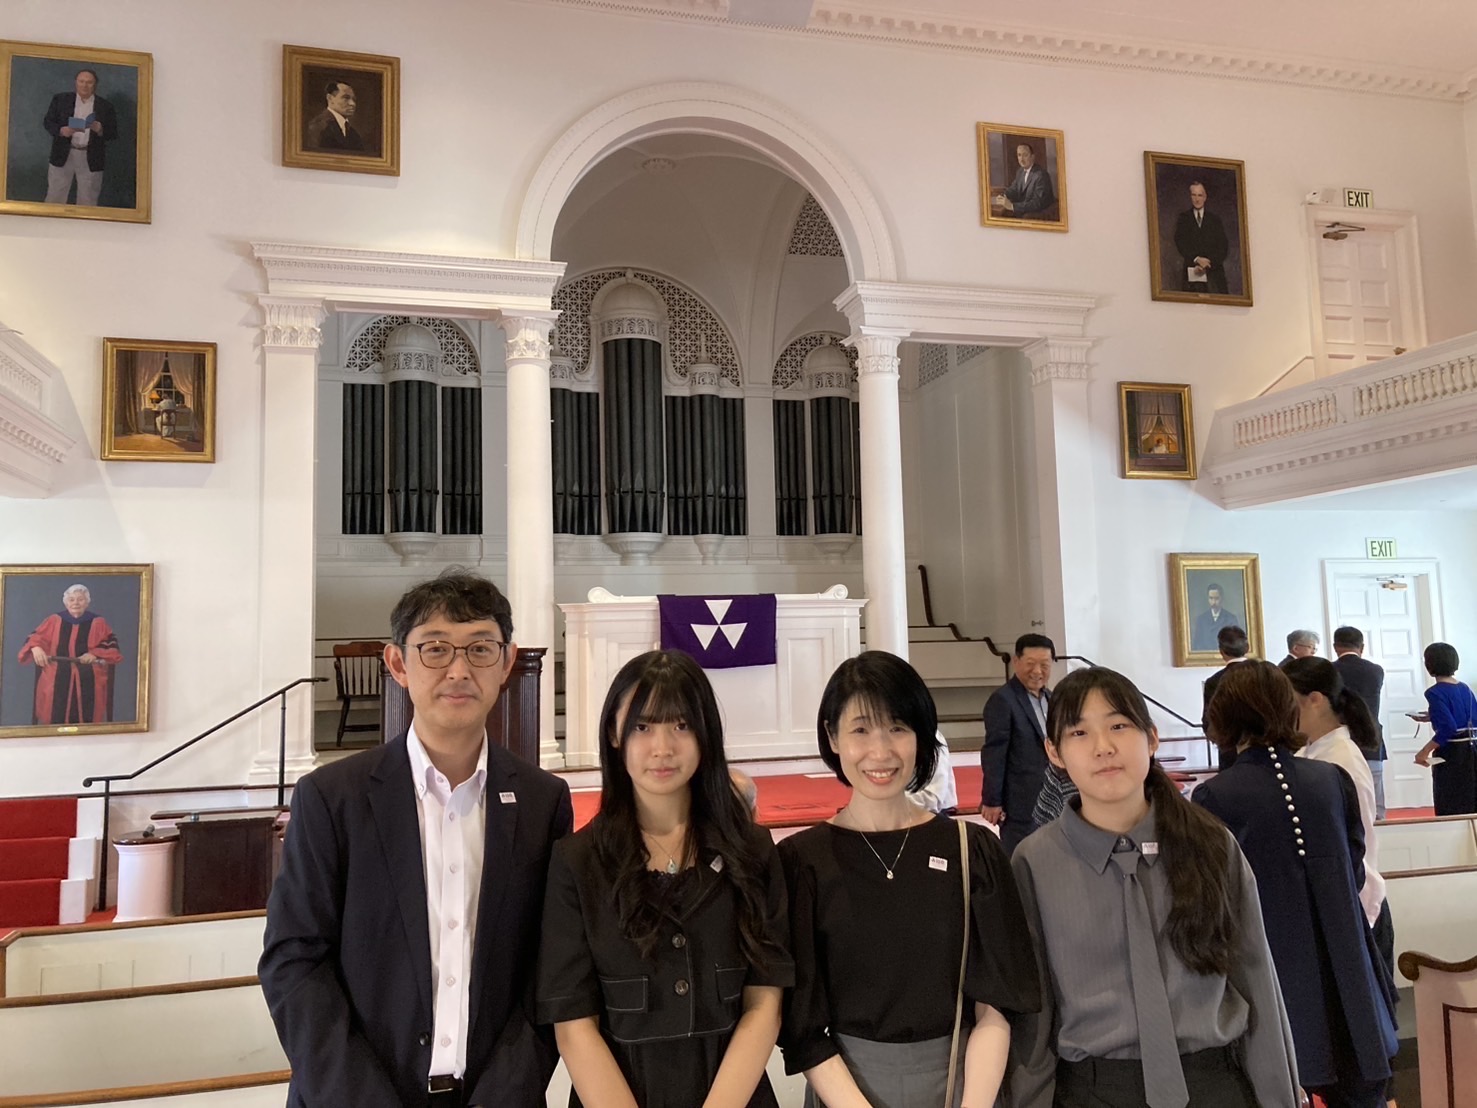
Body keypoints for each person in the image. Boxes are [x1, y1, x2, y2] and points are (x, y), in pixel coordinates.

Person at [260, 568, 573, 1107]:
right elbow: (295, 960)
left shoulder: (542, 802)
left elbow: (550, 968)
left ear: (506, 663)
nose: (459, 669)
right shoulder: (332, 798)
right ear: (398, 664)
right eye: (435, 648)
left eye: (480, 649)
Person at [1008, 666, 1299, 1108]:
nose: (1103, 747)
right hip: (1094, 1091)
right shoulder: (1034, 862)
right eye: (1079, 733)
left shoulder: (1211, 843)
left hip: (1214, 1084)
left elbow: (1255, 978)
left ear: (1151, 738)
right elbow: (1034, 1015)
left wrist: (1278, 1097)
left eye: (1118, 726)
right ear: (1055, 752)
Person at [781, 651, 1039, 1108]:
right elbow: (802, 1026)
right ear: (833, 737)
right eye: (861, 730)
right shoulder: (802, 862)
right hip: (846, 1091)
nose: (880, 752)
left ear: (921, 736)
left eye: (898, 728)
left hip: (961, 1083)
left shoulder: (971, 850)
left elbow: (996, 1003)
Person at [537, 649, 792, 1107]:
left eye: (681, 725)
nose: (662, 748)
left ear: (705, 732)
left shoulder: (751, 851)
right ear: (614, 733)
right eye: (642, 726)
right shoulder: (577, 862)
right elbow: (574, 1026)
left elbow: (764, 1002)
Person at [1195, 661, 1397, 1108]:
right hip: (1346, 957)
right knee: (1356, 1086)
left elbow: (1212, 900)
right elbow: (1355, 867)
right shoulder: (1330, 779)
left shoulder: (1216, 796)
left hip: (1271, 964)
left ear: (1223, 716)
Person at [1282, 655, 1398, 1107]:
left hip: (1359, 911)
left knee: (1358, 1058)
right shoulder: (1310, 753)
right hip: (1341, 912)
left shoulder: (1340, 759)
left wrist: (1350, 928)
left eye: (1287, 700)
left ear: (1314, 700)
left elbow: (1357, 852)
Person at [980, 634, 1055, 854]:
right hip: (1020, 805)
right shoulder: (1003, 700)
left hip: (1053, 799)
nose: (1038, 671)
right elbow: (994, 754)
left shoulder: (1052, 698)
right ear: (1016, 661)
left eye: (1045, 665)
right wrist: (992, 800)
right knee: (1020, 860)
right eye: (1030, 664)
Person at [18, 583, 124, 725]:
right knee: (52, 703)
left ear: (87, 602)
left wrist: (94, 654)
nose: (75, 603)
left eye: (80, 599)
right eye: (71, 599)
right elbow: (35, 637)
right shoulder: (54, 620)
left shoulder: (98, 622)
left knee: (90, 706)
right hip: (56, 672)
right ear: (66, 602)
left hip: (89, 673)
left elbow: (111, 643)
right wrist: (35, 647)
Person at [1414, 642, 1477, 816]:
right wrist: (1432, 716)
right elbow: (1468, 718)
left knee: (1451, 803)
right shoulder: (1465, 688)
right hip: (1473, 750)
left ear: (1429, 665)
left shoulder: (1434, 692)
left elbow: (1449, 728)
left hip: (1453, 753)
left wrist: (1424, 751)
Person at [1333, 626, 1388, 819]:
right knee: (1374, 795)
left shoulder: (1330, 671)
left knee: (1344, 795)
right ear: (1361, 647)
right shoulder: (1375, 671)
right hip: (1370, 737)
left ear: (1335, 647)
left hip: (1340, 739)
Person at [42, 68, 117, 207]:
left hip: (91, 157)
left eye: (89, 82)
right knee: (55, 196)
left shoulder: (105, 106)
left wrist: (100, 129)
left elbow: (113, 133)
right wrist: (61, 131)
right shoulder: (60, 100)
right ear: (75, 82)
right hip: (63, 153)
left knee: (88, 200)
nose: (85, 85)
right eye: (81, 81)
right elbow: (48, 122)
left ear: (95, 85)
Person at [1202, 624, 1251, 770]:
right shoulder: (1268, 674)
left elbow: (1208, 720)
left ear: (1221, 652)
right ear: (1247, 648)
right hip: (1268, 751)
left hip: (1229, 753)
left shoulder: (1214, 681)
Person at [1172, 181, 1230, 294]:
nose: (1197, 199)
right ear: (1190, 197)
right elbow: (1180, 242)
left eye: (1200, 195)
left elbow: (1223, 246)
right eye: (1194, 195)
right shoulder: (1183, 219)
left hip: (1214, 273)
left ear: (1205, 197)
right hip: (1192, 272)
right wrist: (1197, 259)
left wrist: (1207, 262)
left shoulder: (1215, 220)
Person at [994, 142, 1056, 218]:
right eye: (1019, 155)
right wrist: (1004, 195)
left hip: (1041, 213)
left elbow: (1037, 203)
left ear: (1032, 157)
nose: (1021, 159)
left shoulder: (1041, 175)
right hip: (1026, 209)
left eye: (1025, 155)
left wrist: (1012, 206)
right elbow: (1014, 189)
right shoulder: (1020, 171)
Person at [307, 78, 366, 151]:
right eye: (346, 98)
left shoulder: (354, 134)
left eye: (354, 99)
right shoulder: (317, 127)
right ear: (330, 98)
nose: (352, 104)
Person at [1190, 582, 1242, 653]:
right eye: (1211, 598)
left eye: (1216, 598)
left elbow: (1236, 642)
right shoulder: (1201, 620)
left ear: (1222, 598)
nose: (1214, 602)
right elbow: (1196, 644)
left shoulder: (1231, 618)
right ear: (1208, 599)